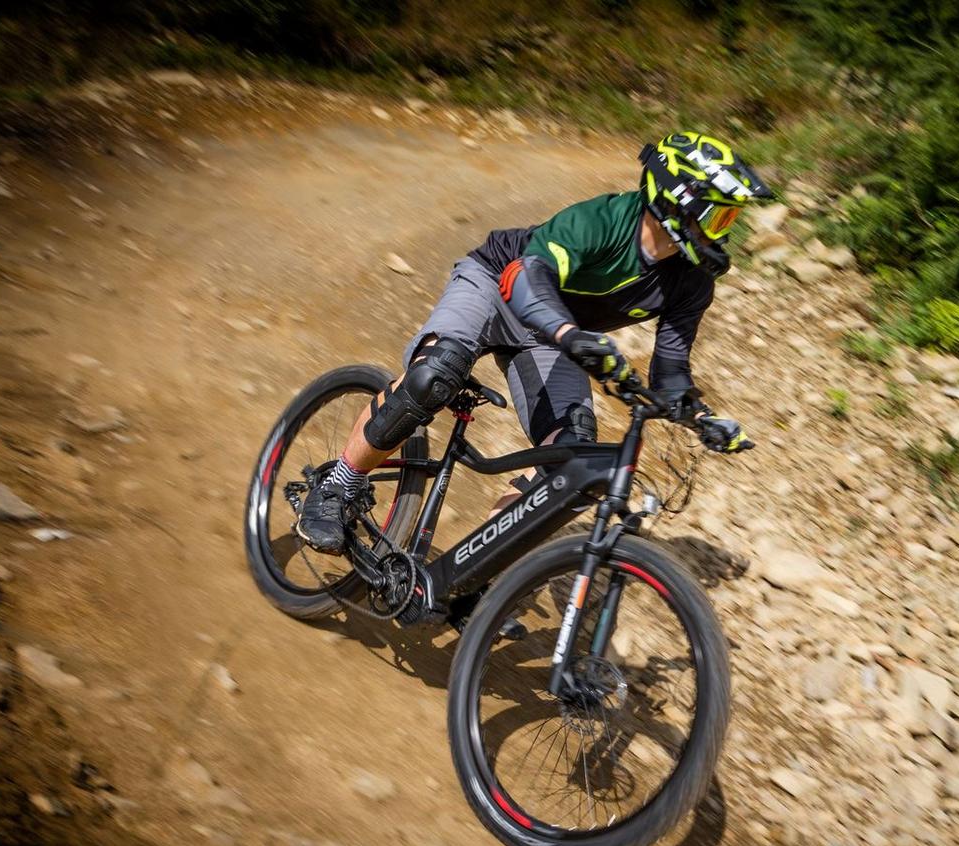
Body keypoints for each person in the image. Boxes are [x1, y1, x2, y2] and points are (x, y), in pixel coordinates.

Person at [296, 131, 773, 555]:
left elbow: (670, 372)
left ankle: (479, 569)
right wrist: (571, 336)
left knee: (573, 461)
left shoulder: (692, 282)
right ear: (678, 200)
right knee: (434, 376)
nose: (722, 231)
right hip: (494, 285)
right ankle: (337, 486)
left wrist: (701, 419)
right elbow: (524, 279)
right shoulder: (604, 220)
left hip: (552, 334)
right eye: (718, 215)